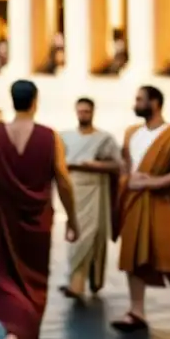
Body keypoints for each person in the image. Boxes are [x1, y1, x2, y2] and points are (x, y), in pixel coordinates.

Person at [0, 79, 78, 339]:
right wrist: (73, 219)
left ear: (12, 100)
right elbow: (63, 179)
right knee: (34, 283)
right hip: (38, 220)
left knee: (5, 278)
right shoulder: (49, 136)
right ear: (35, 101)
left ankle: (14, 335)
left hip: (1, 217)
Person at [112, 85, 170, 336]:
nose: (135, 104)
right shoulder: (131, 133)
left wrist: (156, 182)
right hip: (133, 201)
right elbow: (127, 167)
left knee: (166, 258)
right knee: (132, 257)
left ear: (155, 102)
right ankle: (136, 311)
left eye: (139, 99)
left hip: (161, 201)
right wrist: (126, 181)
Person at [59, 97, 121, 300]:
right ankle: (75, 282)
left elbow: (117, 165)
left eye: (86, 111)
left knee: (92, 235)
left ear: (93, 112)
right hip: (74, 189)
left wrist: (95, 166)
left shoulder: (104, 138)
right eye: (80, 111)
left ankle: (86, 282)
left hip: (95, 190)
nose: (83, 115)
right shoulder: (65, 137)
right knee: (75, 235)